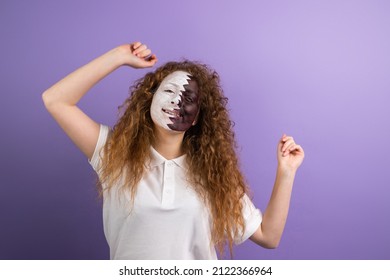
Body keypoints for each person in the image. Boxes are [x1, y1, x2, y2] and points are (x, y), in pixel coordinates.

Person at [42, 42, 305, 260]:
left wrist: (286, 172)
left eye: (188, 99)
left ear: (197, 117)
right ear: (150, 97)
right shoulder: (113, 154)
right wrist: (119, 57)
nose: (176, 102)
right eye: (168, 90)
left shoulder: (214, 176)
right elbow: (56, 100)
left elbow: (268, 236)